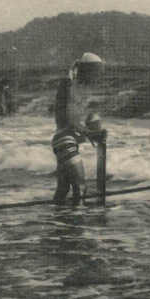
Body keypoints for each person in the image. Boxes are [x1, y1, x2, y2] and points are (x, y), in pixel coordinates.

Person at [52, 52, 104, 205]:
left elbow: (80, 118)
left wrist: (92, 130)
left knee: (63, 189)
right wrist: (90, 133)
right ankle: (77, 217)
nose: (97, 76)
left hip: (65, 140)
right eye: (96, 72)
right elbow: (70, 119)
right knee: (80, 188)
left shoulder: (80, 87)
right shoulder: (70, 86)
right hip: (65, 140)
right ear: (88, 71)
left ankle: (58, 216)